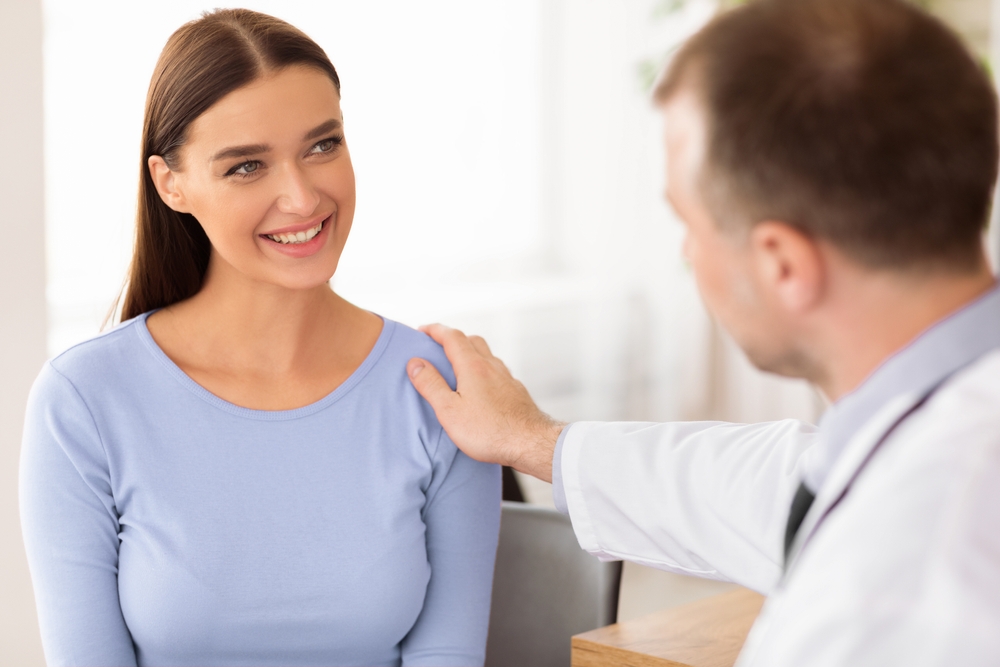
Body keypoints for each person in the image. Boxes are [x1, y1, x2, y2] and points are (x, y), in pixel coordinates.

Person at [406, 0, 1000, 664]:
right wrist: (534, 440)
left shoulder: (914, 571)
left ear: (782, 263)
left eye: (691, 222)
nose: (689, 254)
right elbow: (778, 485)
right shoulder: (932, 418)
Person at [20, 9, 500, 666]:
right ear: (172, 184)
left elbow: (449, 651)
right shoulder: (83, 402)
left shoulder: (441, 392)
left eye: (322, 145)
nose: (302, 198)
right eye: (247, 166)